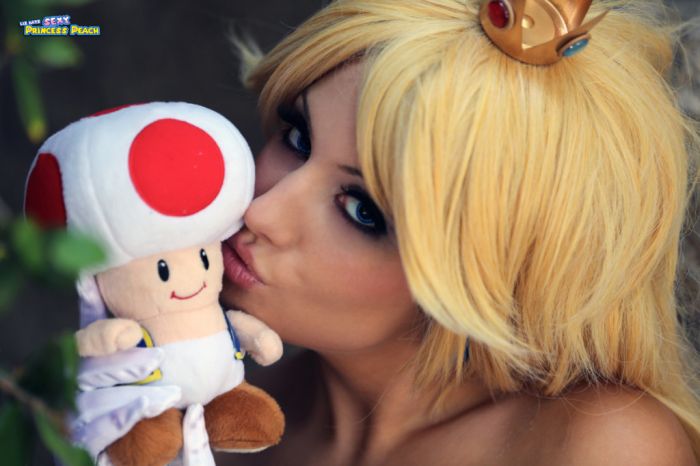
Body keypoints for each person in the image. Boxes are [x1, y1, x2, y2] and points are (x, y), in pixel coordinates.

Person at [75, 0, 700, 465]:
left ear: (485, 275)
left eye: (362, 211)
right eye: (297, 138)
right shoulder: (219, 411)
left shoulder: (600, 446)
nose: (263, 211)